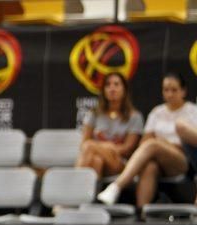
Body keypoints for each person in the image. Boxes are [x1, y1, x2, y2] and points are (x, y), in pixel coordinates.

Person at [97, 73, 197, 208]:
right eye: (166, 90)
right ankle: (142, 214)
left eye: (174, 90)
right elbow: (144, 142)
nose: (169, 94)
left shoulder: (192, 111)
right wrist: (160, 145)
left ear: (183, 91)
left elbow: (191, 142)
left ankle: (116, 186)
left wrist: (164, 144)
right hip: (156, 158)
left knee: (153, 145)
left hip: (181, 160)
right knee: (150, 166)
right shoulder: (157, 112)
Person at [76, 73, 143, 179]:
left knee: (89, 146)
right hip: (96, 158)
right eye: (108, 85)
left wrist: (107, 148)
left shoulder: (135, 116)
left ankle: (74, 188)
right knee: (97, 161)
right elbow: (83, 142)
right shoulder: (94, 114)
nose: (112, 88)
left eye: (116, 84)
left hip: (120, 162)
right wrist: (107, 146)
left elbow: (128, 148)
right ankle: (89, 195)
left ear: (124, 89)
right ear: (103, 90)